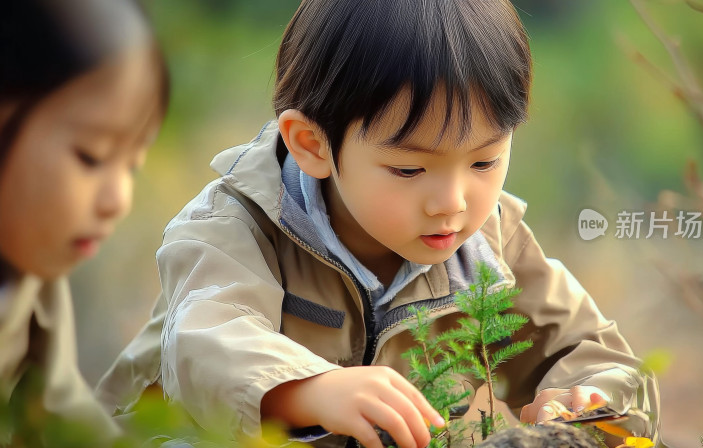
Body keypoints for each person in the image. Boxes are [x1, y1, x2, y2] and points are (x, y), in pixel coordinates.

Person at [97, 0, 660, 447]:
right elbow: (206, 342)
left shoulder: (491, 242)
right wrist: (309, 390)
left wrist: (588, 400)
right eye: (409, 168)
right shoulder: (237, 224)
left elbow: (596, 351)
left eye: (485, 161)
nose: (452, 203)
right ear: (312, 144)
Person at [0, 0, 168, 445]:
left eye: (132, 166)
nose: (119, 200)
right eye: (91, 157)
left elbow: (60, 411)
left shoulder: (33, 277)